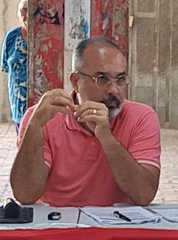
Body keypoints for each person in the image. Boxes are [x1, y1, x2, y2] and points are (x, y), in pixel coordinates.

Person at [10, 37, 161, 207]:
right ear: (76, 82)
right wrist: (34, 128)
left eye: (120, 80)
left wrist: (107, 138)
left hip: (118, 222)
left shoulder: (141, 117)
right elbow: (25, 195)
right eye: (102, 79)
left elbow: (144, 195)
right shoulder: (44, 117)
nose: (114, 90)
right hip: (57, 220)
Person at [2, 0, 29, 132]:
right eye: (23, 11)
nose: (27, 15)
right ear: (18, 15)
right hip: (19, 102)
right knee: (21, 138)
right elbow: (6, 67)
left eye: (31, 11)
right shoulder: (12, 37)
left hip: (42, 103)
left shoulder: (47, 37)